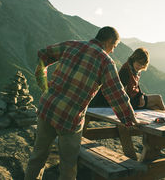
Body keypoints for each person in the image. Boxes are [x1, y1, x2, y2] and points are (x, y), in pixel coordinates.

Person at [25, 26, 145, 180]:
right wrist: (131, 119)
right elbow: (117, 94)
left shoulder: (72, 45)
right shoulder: (105, 62)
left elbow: (43, 54)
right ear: (109, 41)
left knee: (37, 157)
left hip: (47, 108)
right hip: (69, 119)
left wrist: (43, 83)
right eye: (114, 46)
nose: (113, 51)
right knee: (68, 166)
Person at [90, 47, 165, 111]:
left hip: (134, 98)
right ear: (134, 59)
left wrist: (141, 95)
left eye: (142, 65)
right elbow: (121, 91)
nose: (140, 66)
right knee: (158, 99)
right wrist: (138, 99)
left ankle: (161, 122)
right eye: (139, 63)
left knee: (155, 108)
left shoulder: (134, 69)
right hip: (129, 101)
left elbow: (136, 85)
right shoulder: (126, 71)